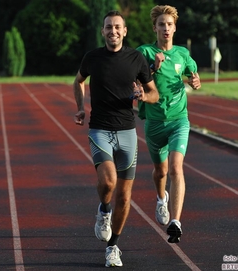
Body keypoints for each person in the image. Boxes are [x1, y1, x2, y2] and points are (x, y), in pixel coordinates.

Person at [73, 10, 159, 267]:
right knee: (108, 182)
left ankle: (113, 247)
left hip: (127, 132)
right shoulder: (93, 58)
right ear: (103, 32)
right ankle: (103, 210)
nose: (113, 31)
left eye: (117, 27)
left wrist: (143, 96)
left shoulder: (136, 58)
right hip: (100, 129)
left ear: (124, 31)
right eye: (108, 27)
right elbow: (78, 81)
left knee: (124, 196)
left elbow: (154, 93)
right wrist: (80, 107)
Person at [136, 5, 201, 244]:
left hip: (178, 121)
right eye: (161, 24)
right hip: (153, 122)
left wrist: (195, 81)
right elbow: (134, 81)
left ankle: (175, 222)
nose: (166, 28)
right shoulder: (143, 51)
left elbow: (194, 76)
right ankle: (160, 197)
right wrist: (153, 67)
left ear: (174, 28)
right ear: (154, 27)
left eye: (169, 24)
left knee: (175, 168)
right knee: (160, 171)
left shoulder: (183, 54)